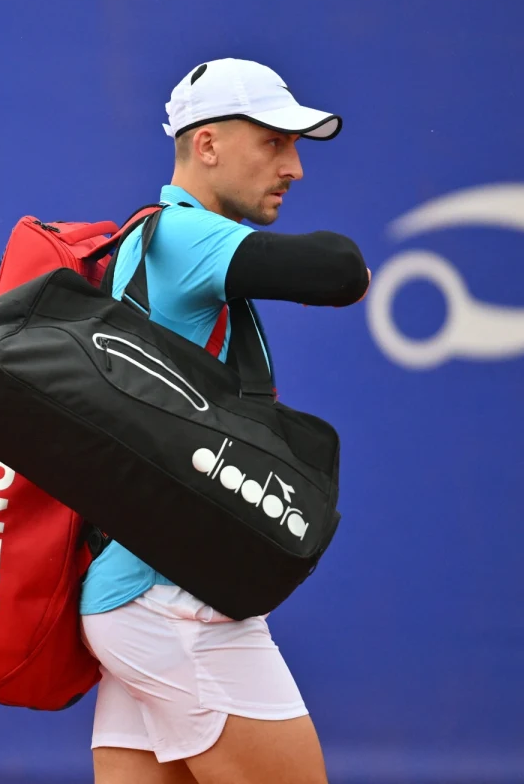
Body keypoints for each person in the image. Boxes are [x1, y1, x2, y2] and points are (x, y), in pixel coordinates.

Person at [79, 58, 371, 784]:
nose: (295, 167)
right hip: (176, 601)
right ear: (205, 145)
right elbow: (339, 270)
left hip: (135, 596)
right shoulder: (185, 238)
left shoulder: (154, 242)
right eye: (274, 142)